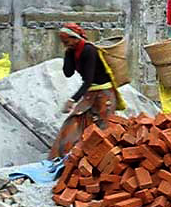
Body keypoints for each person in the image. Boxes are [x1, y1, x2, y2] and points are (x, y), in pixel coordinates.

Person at [49, 23, 125, 158]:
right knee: (72, 124)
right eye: (64, 43)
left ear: (75, 38)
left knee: (103, 130)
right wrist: (68, 53)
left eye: (67, 42)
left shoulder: (89, 50)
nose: (66, 45)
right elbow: (68, 73)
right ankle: (63, 160)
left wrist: (73, 100)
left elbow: (89, 80)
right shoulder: (73, 52)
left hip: (104, 94)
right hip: (90, 93)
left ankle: (107, 161)